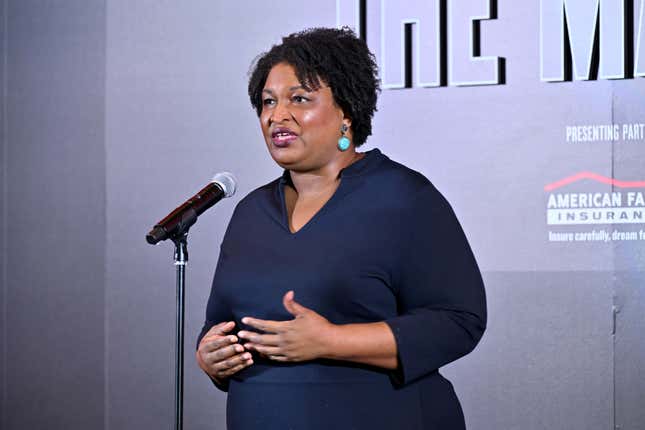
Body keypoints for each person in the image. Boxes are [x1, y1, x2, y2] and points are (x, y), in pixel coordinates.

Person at [196, 27, 486, 430]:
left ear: (346, 112)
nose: (277, 115)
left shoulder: (404, 198)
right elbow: (220, 322)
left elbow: (458, 320)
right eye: (268, 102)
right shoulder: (250, 212)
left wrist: (330, 340)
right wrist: (210, 355)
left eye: (300, 99)